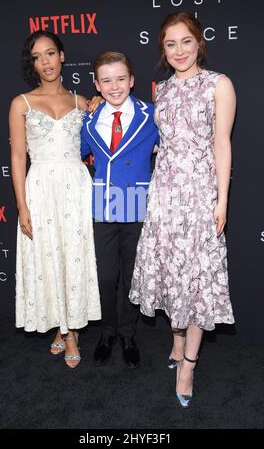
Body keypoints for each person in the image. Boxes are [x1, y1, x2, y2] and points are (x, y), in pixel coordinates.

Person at [129, 12, 236, 405]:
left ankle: (189, 364)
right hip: (164, 193)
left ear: (199, 42)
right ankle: (176, 344)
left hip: (199, 194)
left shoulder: (219, 84)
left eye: (185, 42)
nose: (178, 51)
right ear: (163, 49)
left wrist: (221, 198)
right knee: (171, 271)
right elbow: (162, 140)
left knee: (196, 276)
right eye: (170, 44)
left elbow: (221, 144)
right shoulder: (165, 90)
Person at [9, 30, 101, 368]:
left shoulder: (82, 102)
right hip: (40, 189)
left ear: (62, 56)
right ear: (32, 63)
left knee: (72, 256)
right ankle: (65, 331)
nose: (45, 61)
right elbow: (19, 158)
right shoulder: (22, 103)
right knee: (48, 257)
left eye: (50, 53)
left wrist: (100, 101)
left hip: (76, 187)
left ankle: (69, 330)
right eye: (37, 56)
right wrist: (22, 206)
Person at [80, 52, 159, 368]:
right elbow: (75, 155)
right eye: (107, 80)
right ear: (97, 85)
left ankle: (127, 333)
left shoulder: (151, 114)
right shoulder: (88, 119)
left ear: (132, 80)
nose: (115, 87)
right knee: (105, 276)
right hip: (102, 207)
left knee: (131, 277)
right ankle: (107, 332)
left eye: (121, 78)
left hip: (137, 205)